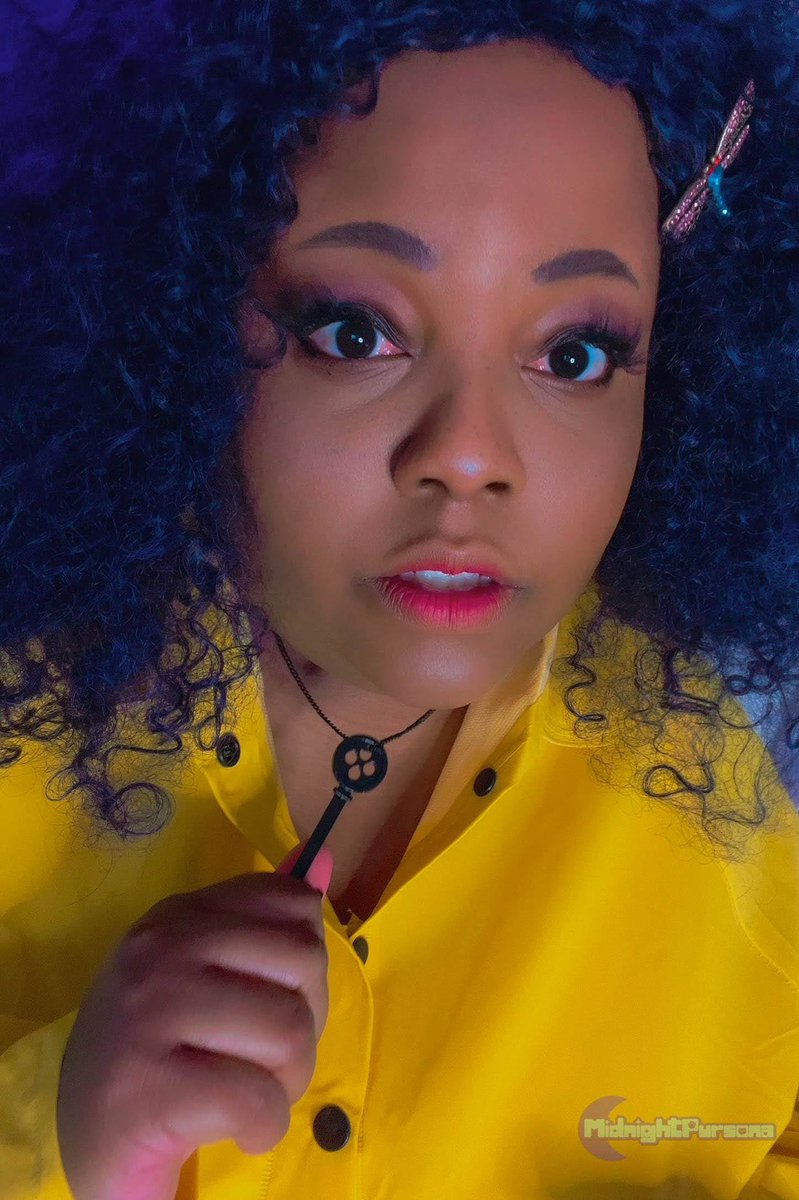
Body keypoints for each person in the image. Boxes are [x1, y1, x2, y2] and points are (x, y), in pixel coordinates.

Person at [1, 2, 797, 1197]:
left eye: (574, 355)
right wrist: (53, 1137)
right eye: (355, 332)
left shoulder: (729, 819)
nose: (468, 456)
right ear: (169, 312)